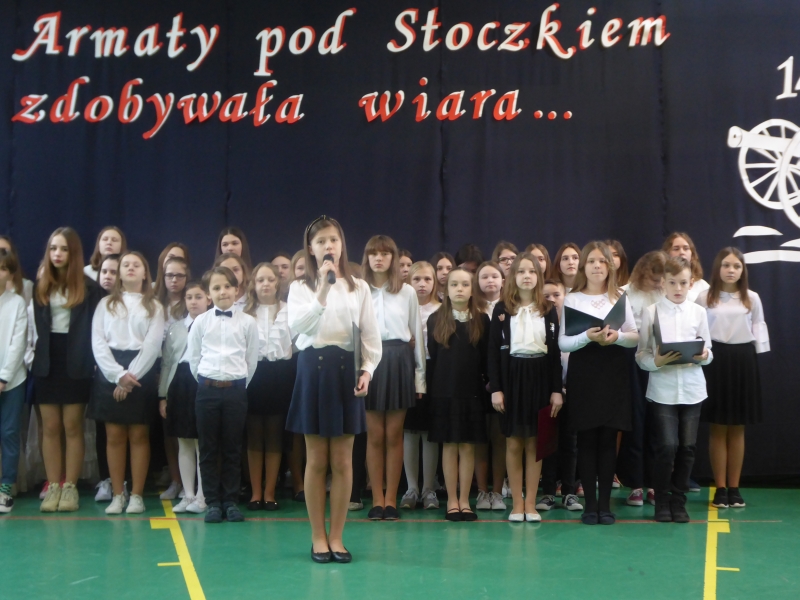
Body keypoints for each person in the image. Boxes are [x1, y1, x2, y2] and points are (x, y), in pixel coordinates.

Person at [286, 216, 381, 563]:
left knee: (342, 460)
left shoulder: (359, 287)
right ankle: (317, 537)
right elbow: (298, 328)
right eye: (321, 241)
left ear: (342, 244)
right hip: (313, 369)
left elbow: (370, 334)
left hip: (346, 370)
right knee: (316, 459)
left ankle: (337, 537)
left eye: (334, 240)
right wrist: (322, 291)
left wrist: (367, 370)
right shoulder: (300, 287)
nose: (329, 246)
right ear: (311, 249)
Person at [558, 242, 639, 525]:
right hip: (585, 373)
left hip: (613, 373)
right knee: (586, 440)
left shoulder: (619, 297)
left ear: (610, 266)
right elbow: (563, 342)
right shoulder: (573, 299)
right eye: (591, 261)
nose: (596, 266)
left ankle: (605, 505)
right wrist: (587, 337)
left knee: (607, 440)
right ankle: (589, 506)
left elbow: (634, 336)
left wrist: (617, 337)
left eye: (602, 261)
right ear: (584, 266)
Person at [31, 227, 103, 512]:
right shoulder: (41, 285)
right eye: (53, 248)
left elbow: (97, 330)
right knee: (49, 427)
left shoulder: (90, 288)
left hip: (76, 361)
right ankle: (53, 486)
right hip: (46, 361)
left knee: (72, 426)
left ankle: (70, 487)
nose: (57, 254)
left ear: (73, 253)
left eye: (63, 249)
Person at [636, 256, 712, 523]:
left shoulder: (698, 312)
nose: (678, 288)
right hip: (663, 389)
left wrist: (704, 355)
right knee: (667, 446)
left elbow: (708, 350)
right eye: (672, 283)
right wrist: (656, 362)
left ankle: (679, 501)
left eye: (683, 283)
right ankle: (661, 500)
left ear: (691, 283)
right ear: (663, 284)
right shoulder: (652, 312)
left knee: (687, 447)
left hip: (692, 388)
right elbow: (641, 354)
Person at [488, 254, 562, 522]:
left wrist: (557, 389)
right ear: (513, 276)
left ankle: (531, 503)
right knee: (513, 442)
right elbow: (493, 353)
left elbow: (554, 353)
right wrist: (496, 388)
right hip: (512, 376)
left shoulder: (548, 309)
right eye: (521, 271)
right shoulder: (501, 309)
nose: (527, 276)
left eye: (532, 271)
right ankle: (517, 503)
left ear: (538, 276)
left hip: (540, 376)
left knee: (534, 443)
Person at [90, 251, 165, 515]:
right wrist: (117, 376)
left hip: (140, 373)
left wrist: (129, 379)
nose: (131, 268)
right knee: (114, 436)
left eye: (137, 265)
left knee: (139, 436)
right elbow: (98, 343)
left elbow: (152, 346)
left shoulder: (154, 306)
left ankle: (136, 495)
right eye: (125, 265)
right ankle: (118, 495)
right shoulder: (105, 304)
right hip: (110, 371)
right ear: (119, 272)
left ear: (145, 273)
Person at [697, 247, 769, 510]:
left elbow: (758, 328)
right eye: (726, 265)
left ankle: (735, 488)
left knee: (738, 427)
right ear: (718, 268)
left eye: (736, 266)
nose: (731, 270)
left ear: (742, 271)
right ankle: (720, 489)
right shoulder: (704, 297)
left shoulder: (752, 298)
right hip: (715, 361)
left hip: (743, 362)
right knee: (718, 426)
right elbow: (696, 331)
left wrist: (757, 352)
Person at [187, 266, 259, 524]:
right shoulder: (200, 322)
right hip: (207, 389)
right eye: (216, 288)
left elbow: (251, 360)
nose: (222, 292)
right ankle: (212, 502)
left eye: (227, 286)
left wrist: (237, 385)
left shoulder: (248, 322)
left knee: (232, 448)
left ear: (236, 290)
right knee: (208, 449)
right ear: (209, 294)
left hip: (235, 391)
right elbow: (194, 359)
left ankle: (230, 501)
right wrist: (208, 382)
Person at [361, 235, 425, 521]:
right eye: (374, 253)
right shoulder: (359, 289)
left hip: (399, 359)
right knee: (375, 435)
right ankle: (377, 499)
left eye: (385, 253)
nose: (379, 258)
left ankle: (391, 500)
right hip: (369, 361)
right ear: (367, 257)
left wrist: (420, 377)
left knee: (394, 435)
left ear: (394, 258)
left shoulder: (407, 292)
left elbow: (417, 336)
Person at [427, 268, 490, 522]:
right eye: (454, 284)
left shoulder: (481, 320)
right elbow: (433, 357)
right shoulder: (435, 319)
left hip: (472, 392)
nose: (460, 289)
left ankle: (465, 499)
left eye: (465, 284)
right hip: (444, 391)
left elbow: (485, 359)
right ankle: (452, 500)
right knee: (450, 445)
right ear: (446, 289)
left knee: (467, 446)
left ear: (472, 289)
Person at [617, 251, 667, 507]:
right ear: (641, 274)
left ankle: (655, 484)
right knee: (635, 422)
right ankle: (635, 484)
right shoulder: (625, 293)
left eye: (661, 279)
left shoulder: (667, 294)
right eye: (653, 278)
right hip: (631, 362)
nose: (658, 283)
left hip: (660, 361)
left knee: (658, 423)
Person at [243, 262, 293, 511]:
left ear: (278, 283)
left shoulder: (288, 310)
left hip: (280, 373)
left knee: (274, 434)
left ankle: (270, 492)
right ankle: (255, 492)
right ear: (253, 284)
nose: (265, 284)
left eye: (270, 280)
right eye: (260, 280)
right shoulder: (244, 312)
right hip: (252, 374)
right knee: (254, 433)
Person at [159, 280, 211, 514]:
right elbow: (167, 362)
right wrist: (163, 395)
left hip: (202, 381)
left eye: (198, 297)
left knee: (202, 442)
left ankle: (202, 495)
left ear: (208, 299)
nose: (193, 302)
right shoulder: (176, 328)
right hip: (179, 383)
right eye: (189, 297)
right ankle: (188, 494)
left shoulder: (213, 324)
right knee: (184, 441)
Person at [538, 279, 582, 511]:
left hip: (573, 393)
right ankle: (547, 492)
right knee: (548, 444)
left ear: (566, 296)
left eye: (556, 295)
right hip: (547, 394)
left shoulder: (575, 326)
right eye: (546, 296)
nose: (552, 300)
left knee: (570, 444)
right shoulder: (540, 324)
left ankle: (569, 492)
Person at [400, 261, 441, 510]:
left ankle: (428, 489)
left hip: (434, 371)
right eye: (417, 279)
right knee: (410, 431)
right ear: (408, 282)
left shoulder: (441, 309)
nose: (422, 284)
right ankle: (411, 487)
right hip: (408, 371)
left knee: (429, 432)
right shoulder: (403, 307)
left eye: (427, 279)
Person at [473, 261, 507, 511]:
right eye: (484, 276)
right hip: (476, 382)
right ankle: (481, 491)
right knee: (480, 439)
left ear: (503, 280)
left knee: (500, 437)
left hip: (502, 381)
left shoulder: (509, 307)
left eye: (495, 276)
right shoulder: (472, 310)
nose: (490, 280)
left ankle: (498, 491)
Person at [0, 250, 29, 513]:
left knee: (9, 433)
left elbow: (17, 344)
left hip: (12, 381)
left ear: (9, 273)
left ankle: (6, 488)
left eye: (2, 268)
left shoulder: (17, 303)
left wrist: (3, 377)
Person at [662, 233, 709, 302]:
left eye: (686, 248)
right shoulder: (659, 285)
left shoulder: (703, 286)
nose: (681, 252)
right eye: (676, 249)